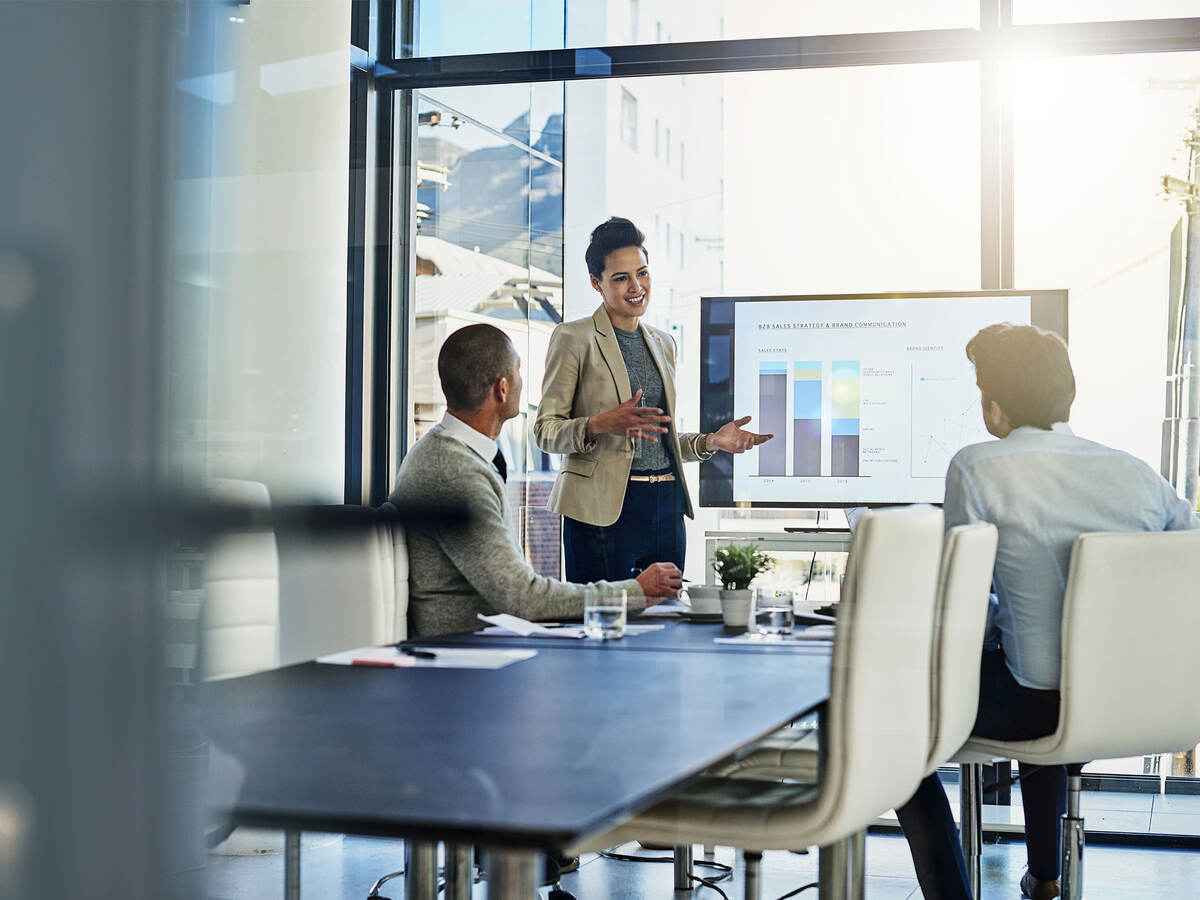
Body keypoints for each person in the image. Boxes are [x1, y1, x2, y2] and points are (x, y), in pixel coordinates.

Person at [896, 323, 1200, 900]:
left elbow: (961, 601)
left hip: (1033, 707)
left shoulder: (976, 465)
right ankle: (1045, 880)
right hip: (1137, 700)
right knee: (1035, 666)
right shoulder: (1136, 473)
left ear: (993, 406)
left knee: (893, 724)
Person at [390, 322, 682, 638]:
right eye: (518, 372)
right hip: (469, 655)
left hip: (492, 640)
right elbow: (522, 597)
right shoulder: (454, 474)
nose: (522, 381)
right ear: (502, 388)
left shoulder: (448, 454)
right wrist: (636, 590)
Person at [534, 216, 772, 583]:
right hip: (601, 512)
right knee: (605, 625)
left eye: (642, 273)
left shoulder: (663, 343)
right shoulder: (573, 338)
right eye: (621, 278)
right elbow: (545, 430)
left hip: (665, 507)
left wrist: (711, 442)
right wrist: (599, 424)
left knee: (665, 620)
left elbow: (658, 438)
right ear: (596, 283)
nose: (636, 286)